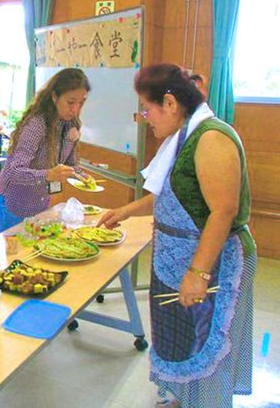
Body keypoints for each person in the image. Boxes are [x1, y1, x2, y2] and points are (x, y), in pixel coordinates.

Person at [97, 64, 256, 408]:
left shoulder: (212, 138)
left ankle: (206, 402)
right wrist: (125, 211)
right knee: (178, 336)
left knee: (204, 338)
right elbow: (172, 194)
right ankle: (181, 398)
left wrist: (198, 273)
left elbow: (222, 212)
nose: (145, 118)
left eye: (147, 109)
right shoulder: (182, 136)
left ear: (169, 103)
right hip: (175, 258)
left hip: (210, 262)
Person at [0, 68, 90, 232]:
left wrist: (81, 175)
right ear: (54, 97)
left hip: (40, 201)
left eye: (81, 103)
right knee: (16, 255)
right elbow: (15, 171)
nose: (76, 109)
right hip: (13, 202)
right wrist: (49, 175)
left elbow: (69, 164)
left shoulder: (70, 125)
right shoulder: (37, 124)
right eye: (71, 102)